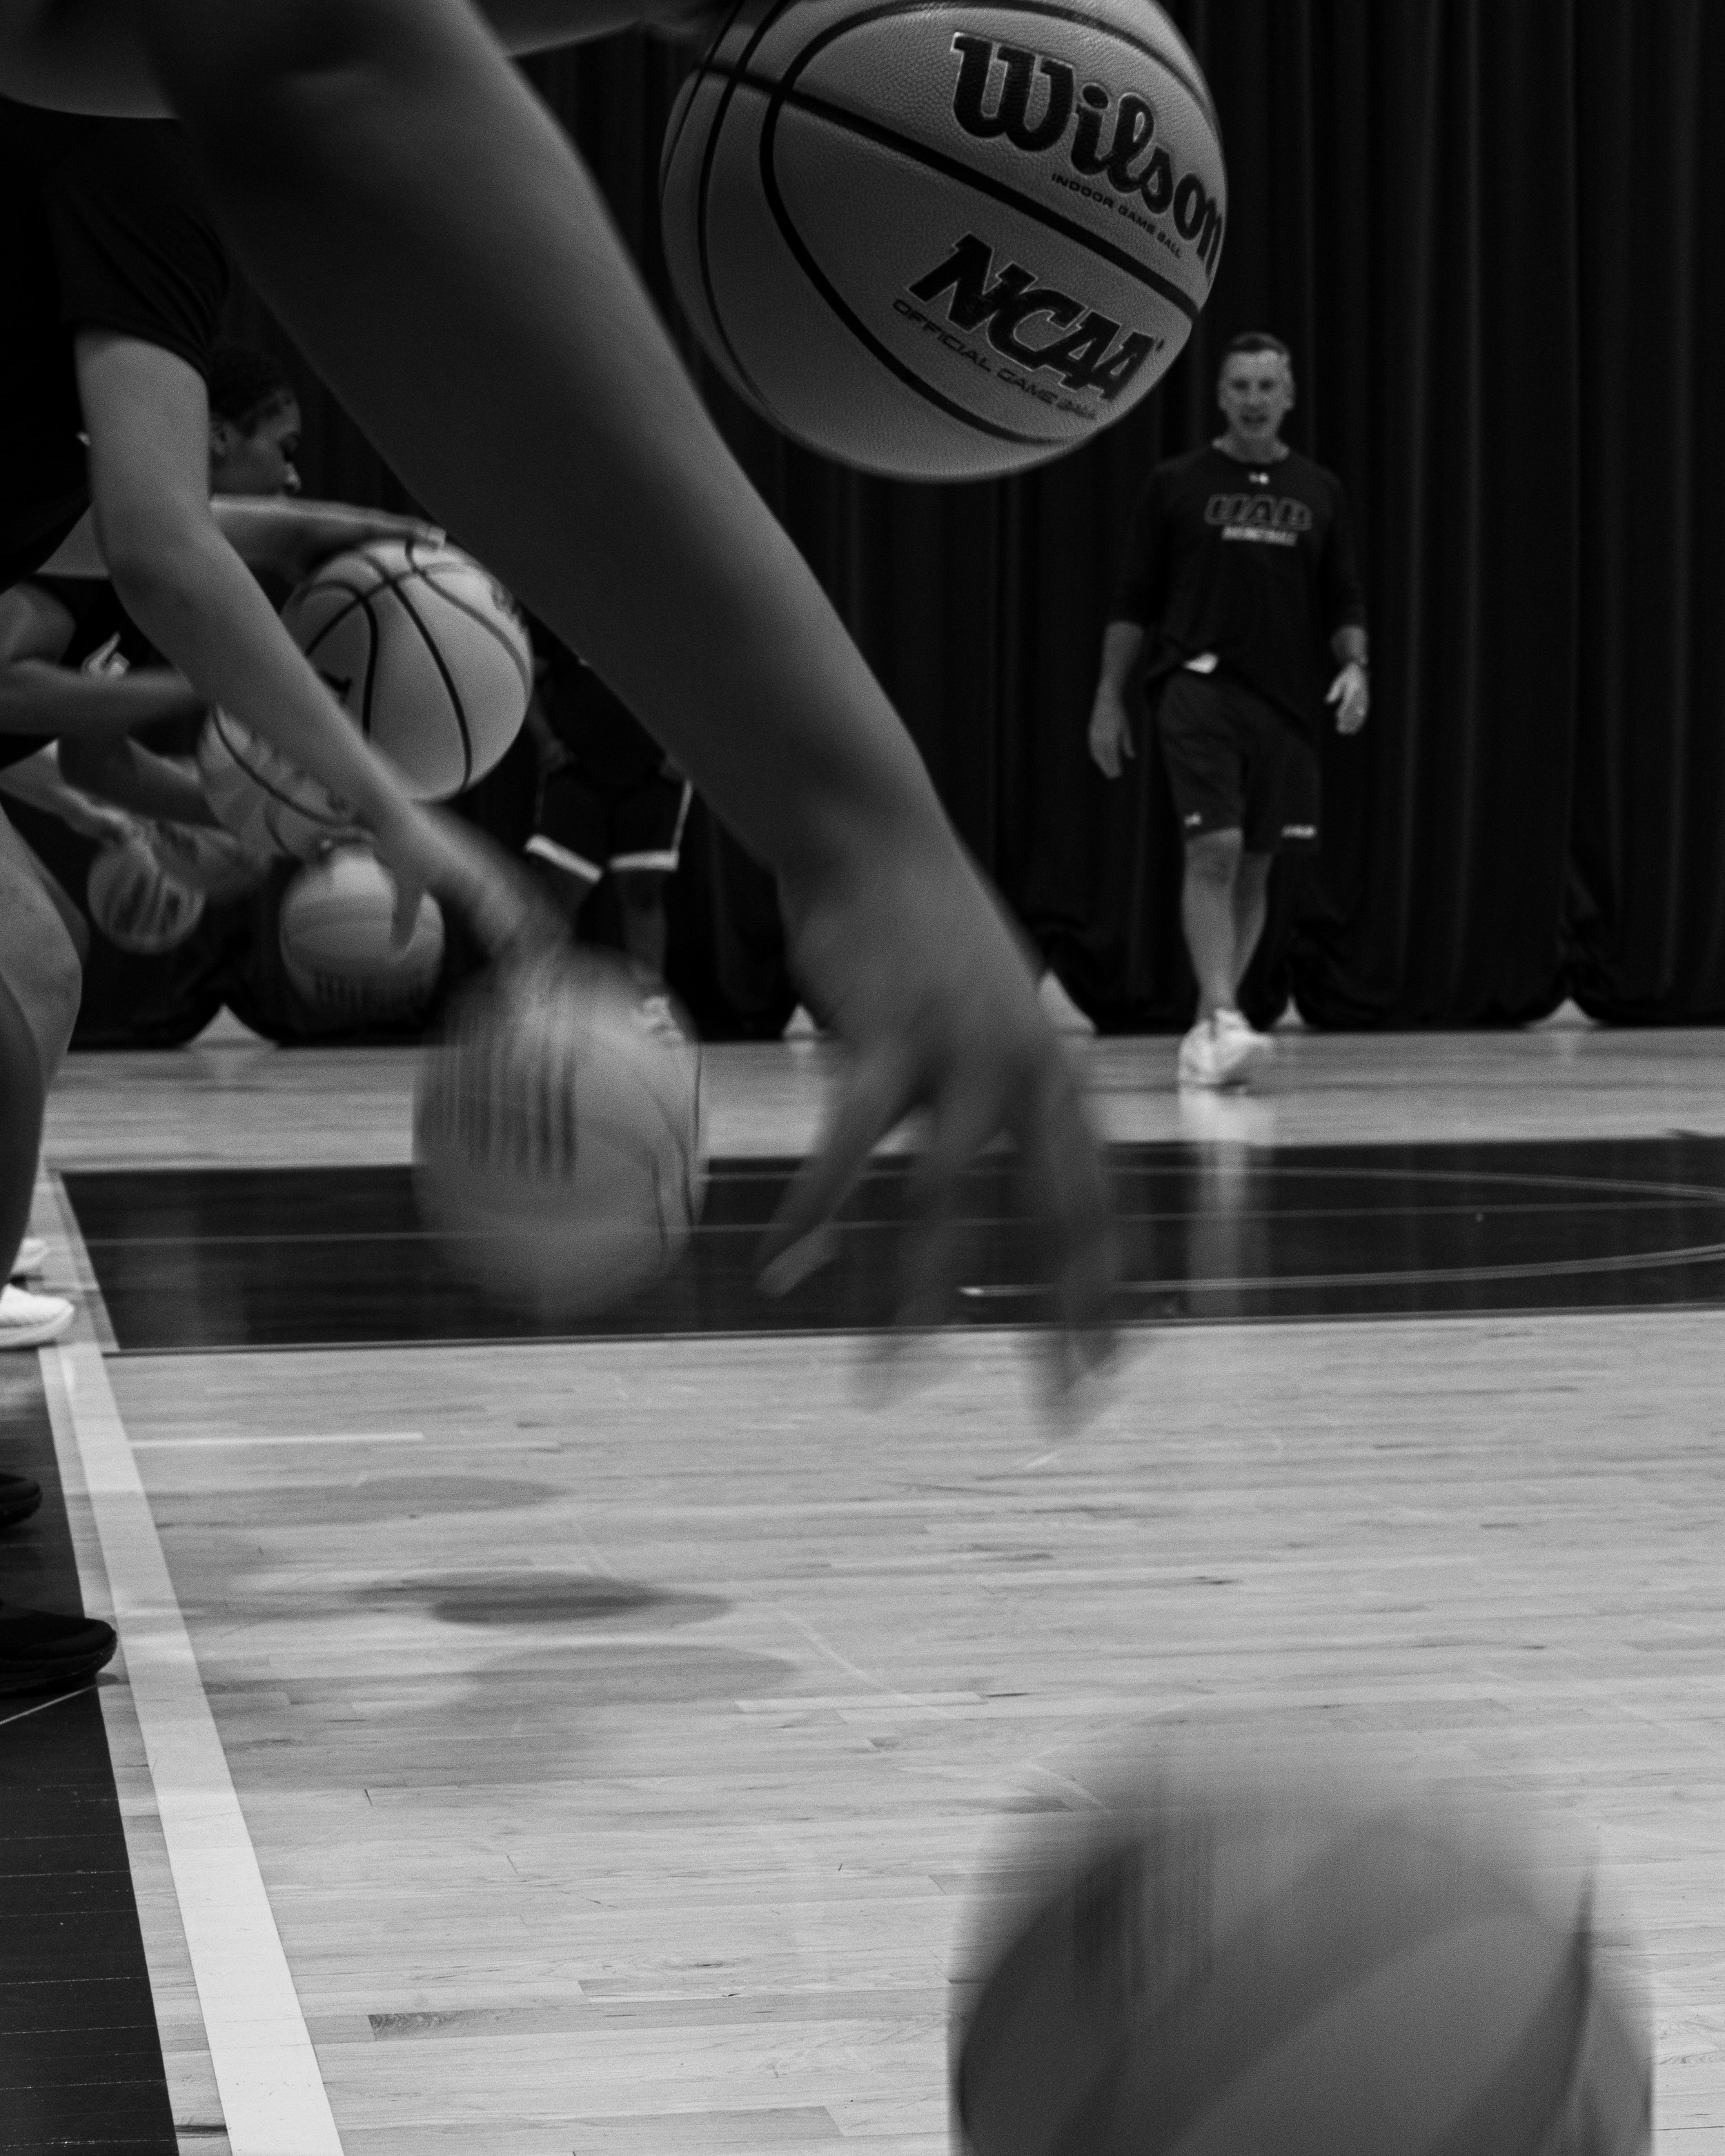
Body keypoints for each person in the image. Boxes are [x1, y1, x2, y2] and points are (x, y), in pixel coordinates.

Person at [0, 1, 1116, 1379]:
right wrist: (853, 819)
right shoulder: (140, 191)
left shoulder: (107, 141)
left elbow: (280, 46)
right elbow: (324, 65)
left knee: (27, 967)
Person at [1088, 333, 1369, 1089]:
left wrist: (1355, 665)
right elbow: (1132, 601)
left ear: (1289, 396)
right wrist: (1108, 698)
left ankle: (1213, 1026)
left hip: (1284, 700)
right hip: (1195, 686)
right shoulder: (1176, 483)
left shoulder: (1320, 490)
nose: (1252, 398)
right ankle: (1220, 1014)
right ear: (1220, 395)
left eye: (1265, 386)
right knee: (1213, 848)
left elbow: (1342, 597)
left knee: (1255, 862)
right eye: (1239, 385)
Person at [523, 617, 690, 1002]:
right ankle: (545, 1007)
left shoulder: (677, 598)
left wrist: (687, 749)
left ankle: (651, 1008)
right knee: (558, 889)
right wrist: (543, 739)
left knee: (644, 891)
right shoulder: (567, 596)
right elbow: (524, 675)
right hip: (575, 767)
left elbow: (707, 683)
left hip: (653, 772)